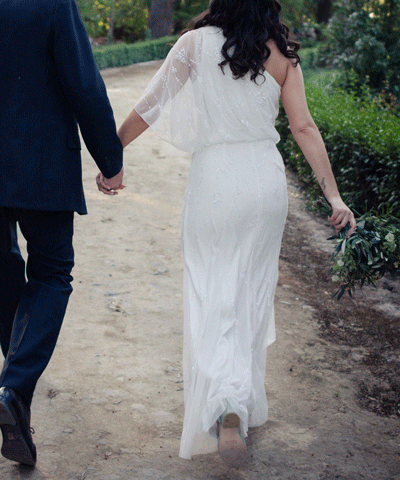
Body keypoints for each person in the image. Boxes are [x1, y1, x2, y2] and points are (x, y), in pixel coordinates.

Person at [117, 0, 357, 468]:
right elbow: (303, 127)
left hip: (215, 180)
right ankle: (238, 402)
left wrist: (112, 153)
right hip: (263, 183)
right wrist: (334, 198)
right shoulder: (283, 55)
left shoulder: (193, 45)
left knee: (211, 289)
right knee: (249, 290)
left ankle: (225, 402)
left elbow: (151, 105)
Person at [0, 0, 124, 466]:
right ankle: (13, 387)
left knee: (4, 271)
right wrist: (110, 161)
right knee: (52, 274)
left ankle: (14, 392)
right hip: (41, 164)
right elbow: (84, 86)